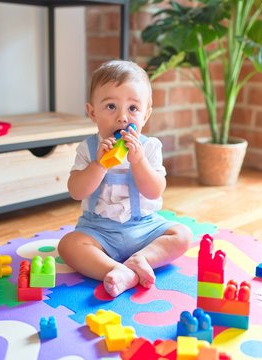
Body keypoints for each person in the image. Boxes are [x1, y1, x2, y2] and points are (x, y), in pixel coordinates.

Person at [58, 60, 193, 297]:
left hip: (145, 227)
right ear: (92, 112)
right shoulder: (89, 149)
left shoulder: (149, 147)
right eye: (111, 106)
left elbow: (154, 191)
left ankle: (141, 259)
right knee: (68, 246)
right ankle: (118, 270)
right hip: (98, 230)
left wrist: (138, 161)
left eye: (133, 108)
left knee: (183, 235)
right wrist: (99, 164)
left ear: (146, 115)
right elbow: (76, 191)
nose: (122, 118)